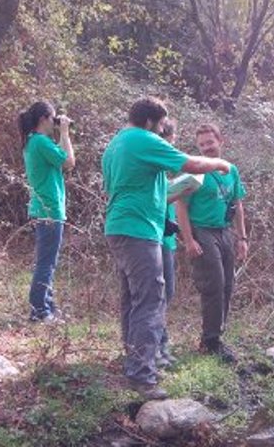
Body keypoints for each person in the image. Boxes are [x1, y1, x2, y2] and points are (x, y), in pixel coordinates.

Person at [102, 97, 232, 400]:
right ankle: (142, 376)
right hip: (138, 230)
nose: (162, 131)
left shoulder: (116, 143)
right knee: (150, 299)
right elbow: (192, 163)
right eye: (161, 125)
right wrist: (221, 164)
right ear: (150, 121)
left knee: (133, 299)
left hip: (119, 226)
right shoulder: (142, 138)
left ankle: (134, 360)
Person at [176, 123, 248, 364]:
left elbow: (237, 204)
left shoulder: (231, 170)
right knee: (213, 283)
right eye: (202, 144)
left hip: (224, 231)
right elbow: (180, 205)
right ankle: (210, 340)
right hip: (202, 230)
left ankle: (217, 336)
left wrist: (242, 238)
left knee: (228, 284)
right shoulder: (195, 170)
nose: (206, 147)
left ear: (220, 141)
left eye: (210, 142)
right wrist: (189, 240)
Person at [18, 101, 75, 323]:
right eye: (53, 119)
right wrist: (65, 132)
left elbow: (60, 159)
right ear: (44, 119)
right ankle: (40, 311)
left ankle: (47, 308)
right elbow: (69, 162)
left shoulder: (34, 142)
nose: (56, 122)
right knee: (46, 263)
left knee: (47, 261)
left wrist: (61, 133)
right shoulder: (40, 141)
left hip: (43, 208)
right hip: (49, 209)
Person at [158, 118, 179, 367]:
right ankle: (158, 348)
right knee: (161, 294)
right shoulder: (154, 167)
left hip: (167, 238)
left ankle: (161, 345)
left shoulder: (162, 172)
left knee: (166, 293)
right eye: (172, 141)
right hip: (157, 238)